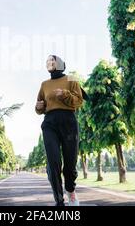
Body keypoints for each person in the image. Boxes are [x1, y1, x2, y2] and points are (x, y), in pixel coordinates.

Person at [35, 55, 84, 206]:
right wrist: (38, 107)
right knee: (53, 162)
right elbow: (39, 106)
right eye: (47, 61)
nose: (49, 62)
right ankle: (59, 200)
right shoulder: (44, 84)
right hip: (50, 123)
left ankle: (70, 190)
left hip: (68, 121)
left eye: (52, 60)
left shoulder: (71, 79)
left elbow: (79, 101)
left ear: (60, 63)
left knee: (70, 163)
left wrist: (64, 94)